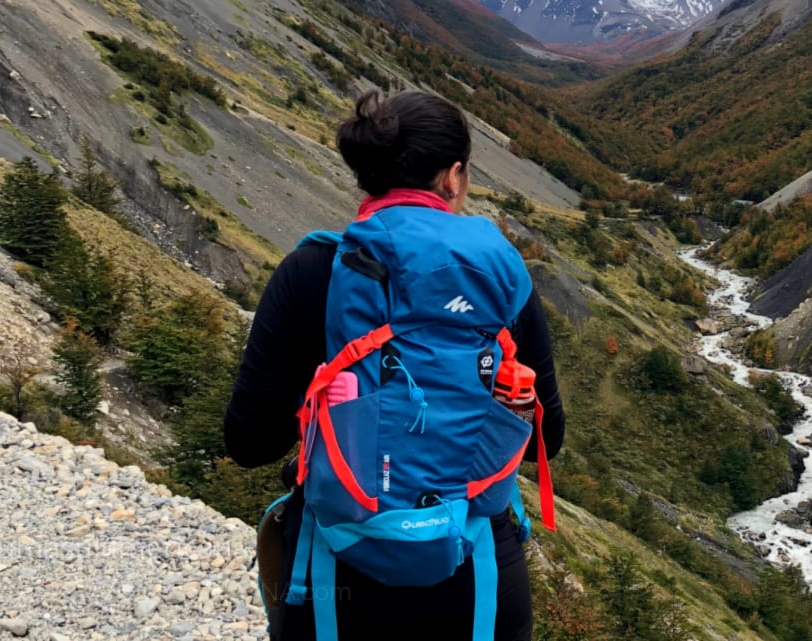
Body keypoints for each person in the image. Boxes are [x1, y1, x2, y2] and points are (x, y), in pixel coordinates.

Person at [223, 90, 566, 641]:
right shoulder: (497, 279)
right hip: (475, 577)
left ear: (368, 175)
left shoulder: (312, 269)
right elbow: (547, 438)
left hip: (338, 581)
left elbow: (249, 442)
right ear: (453, 177)